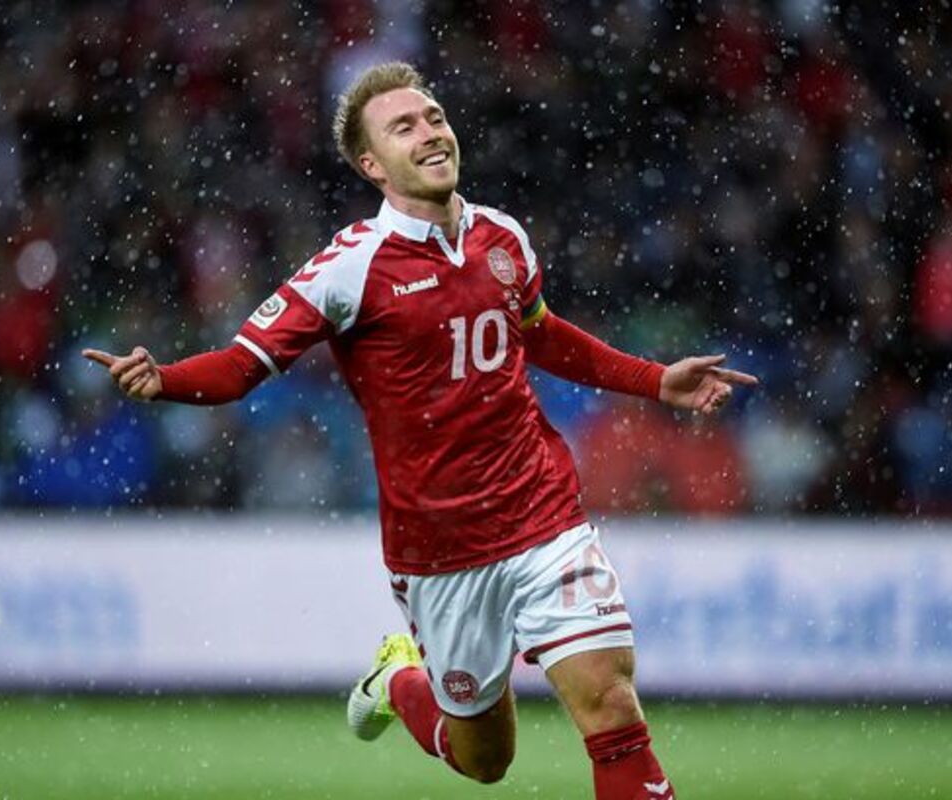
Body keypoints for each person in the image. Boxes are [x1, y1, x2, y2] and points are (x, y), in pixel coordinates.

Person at [84, 62, 757, 799]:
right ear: (372, 164)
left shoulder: (503, 237)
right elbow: (242, 366)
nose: (430, 133)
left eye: (434, 117)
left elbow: (540, 334)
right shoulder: (348, 269)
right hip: (439, 552)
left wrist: (654, 380)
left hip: (544, 517)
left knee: (612, 706)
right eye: (403, 127)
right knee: (485, 761)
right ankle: (399, 680)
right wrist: (164, 378)